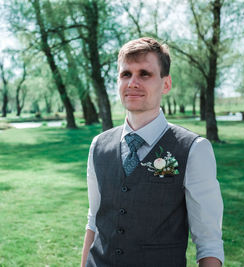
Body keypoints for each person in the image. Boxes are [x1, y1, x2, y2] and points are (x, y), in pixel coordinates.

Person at [81, 37, 224, 267]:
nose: (133, 82)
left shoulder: (193, 150)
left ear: (165, 84)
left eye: (144, 74)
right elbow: (93, 221)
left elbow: (208, 242)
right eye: (125, 74)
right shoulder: (98, 145)